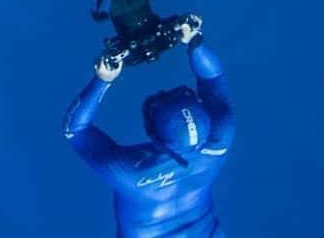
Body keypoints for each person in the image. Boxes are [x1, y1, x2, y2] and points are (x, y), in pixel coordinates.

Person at [63, 15, 234, 236]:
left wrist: (103, 79)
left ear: (155, 135)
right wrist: (195, 43)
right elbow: (214, 78)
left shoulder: (130, 173)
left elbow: (74, 130)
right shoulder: (220, 140)